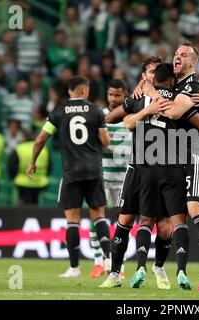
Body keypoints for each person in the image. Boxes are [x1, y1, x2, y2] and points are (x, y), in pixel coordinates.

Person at [141, 43, 199, 291]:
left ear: (193, 63)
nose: (177, 57)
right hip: (184, 155)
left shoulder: (192, 86)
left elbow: (173, 112)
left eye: (183, 55)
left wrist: (148, 86)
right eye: (176, 54)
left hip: (194, 153)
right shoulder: (178, 86)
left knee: (194, 207)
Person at [99, 56, 177, 290]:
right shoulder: (137, 100)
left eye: (156, 71)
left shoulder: (172, 99)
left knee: (163, 227)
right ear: (143, 75)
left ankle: (159, 266)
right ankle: (114, 273)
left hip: (164, 169)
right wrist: (146, 109)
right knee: (125, 220)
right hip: (137, 168)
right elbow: (115, 120)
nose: (153, 75)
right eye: (149, 72)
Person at [27, 76, 111, 278]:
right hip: (93, 171)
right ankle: (109, 262)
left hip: (71, 171)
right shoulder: (95, 111)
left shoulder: (59, 112)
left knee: (72, 221)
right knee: (99, 217)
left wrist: (32, 162)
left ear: (69, 91)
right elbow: (105, 141)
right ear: (84, 90)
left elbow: (40, 140)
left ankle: (74, 268)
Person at [89, 79, 130, 279]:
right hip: (102, 176)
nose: (113, 99)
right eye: (110, 94)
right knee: (96, 218)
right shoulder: (100, 116)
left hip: (124, 179)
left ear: (126, 95)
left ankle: (118, 266)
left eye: (117, 95)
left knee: (122, 223)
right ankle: (99, 262)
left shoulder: (132, 118)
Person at [8, 132, 50, 206]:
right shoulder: (44, 149)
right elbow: (49, 167)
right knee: (35, 205)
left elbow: (11, 166)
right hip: (40, 183)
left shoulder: (19, 148)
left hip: (23, 183)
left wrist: (14, 177)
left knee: (24, 206)